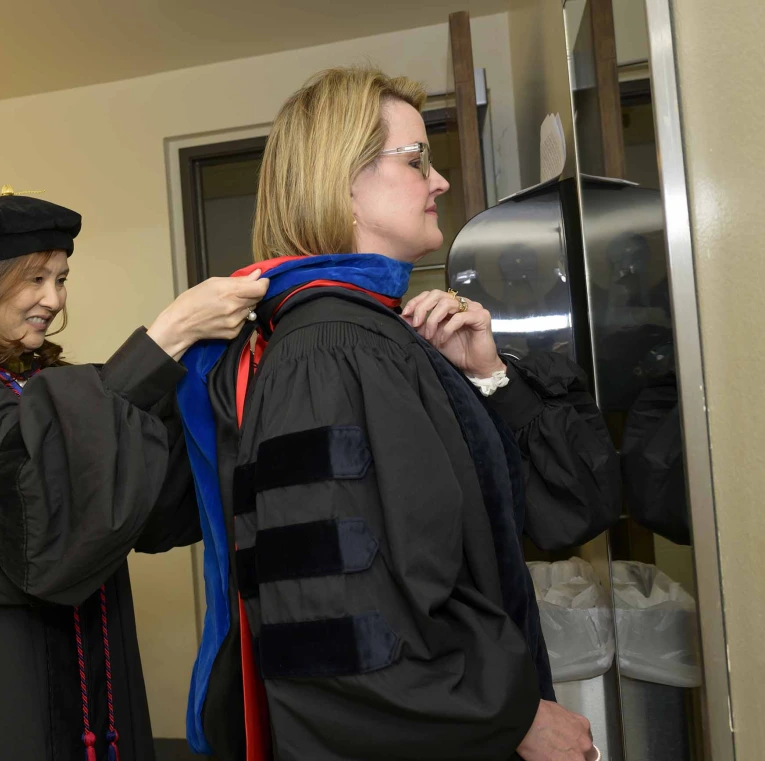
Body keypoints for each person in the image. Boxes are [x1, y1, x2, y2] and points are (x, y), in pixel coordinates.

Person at [177, 68, 619, 761]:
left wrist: (491, 375)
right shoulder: (327, 353)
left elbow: (565, 510)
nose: (439, 181)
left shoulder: (391, 339)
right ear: (342, 180)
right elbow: (340, 632)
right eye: (417, 160)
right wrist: (514, 719)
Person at [0, 187, 267, 761]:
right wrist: (167, 336)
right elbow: (35, 507)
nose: (53, 299)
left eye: (60, 279)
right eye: (35, 279)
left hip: (91, 653)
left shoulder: (43, 383)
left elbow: (133, 489)